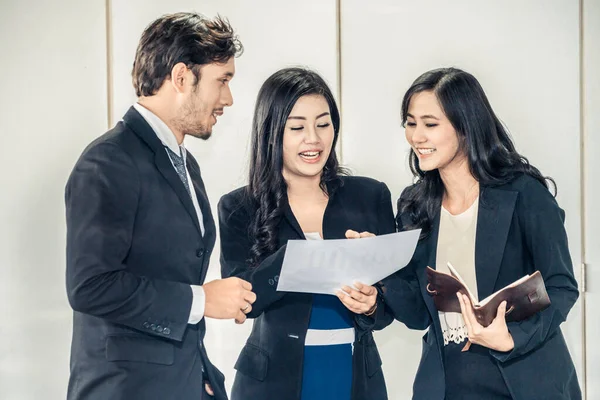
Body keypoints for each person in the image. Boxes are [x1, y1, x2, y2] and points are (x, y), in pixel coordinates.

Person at [65, 12, 256, 400]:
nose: (229, 99)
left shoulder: (186, 164)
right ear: (182, 77)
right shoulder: (107, 161)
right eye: (223, 81)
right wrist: (203, 300)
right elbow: (90, 286)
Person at [382, 67, 581, 399]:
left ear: (465, 126)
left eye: (430, 124)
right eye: (410, 122)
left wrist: (512, 337)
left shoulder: (525, 194)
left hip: (522, 380)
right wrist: (379, 269)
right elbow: (419, 315)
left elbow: (561, 286)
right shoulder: (414, 205)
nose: (417, 136)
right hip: (447, 383)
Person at [218, 67, 394, 400]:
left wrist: (372, 303)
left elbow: (392, 309)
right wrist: (295, 260)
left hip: (354, 376)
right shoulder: (239, 207)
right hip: (271, 383)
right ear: (272, 133)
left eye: (323, 124)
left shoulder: (370, 196)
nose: (313, 139)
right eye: (297, 127)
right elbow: (243, 302)